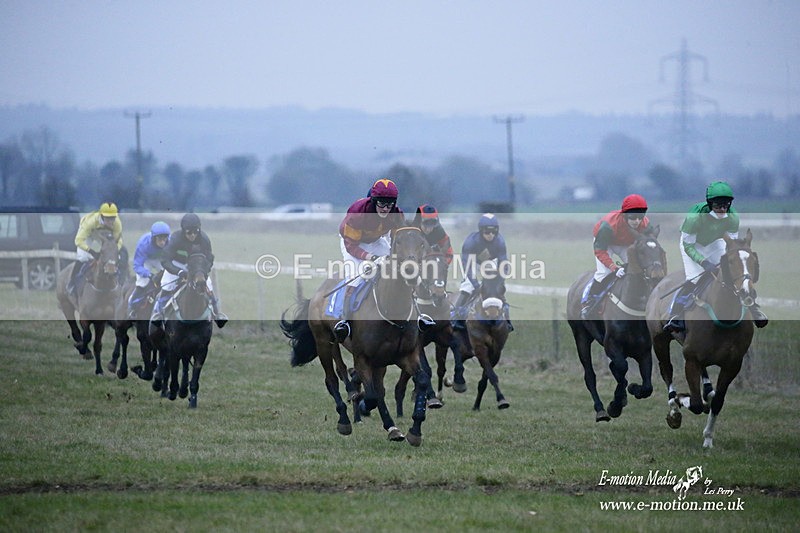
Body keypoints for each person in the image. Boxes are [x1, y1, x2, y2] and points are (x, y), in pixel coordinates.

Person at [664, 181, 768, 332]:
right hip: (692, 245)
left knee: (730, 274)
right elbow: (688, 246)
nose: (722, 209)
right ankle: (675, 315)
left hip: (715, 242)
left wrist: (728, 263)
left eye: (726, 205)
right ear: (710, 203)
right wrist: (704, 262)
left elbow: (731, 247)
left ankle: (753, 308)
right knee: (694, 279)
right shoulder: (695, 217)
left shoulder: (733, 217)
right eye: (718, 205)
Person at [333, 178, 406, 342]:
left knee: (397, 268)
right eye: (381, 204)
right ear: (373, 201)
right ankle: (345, 321)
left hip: (376, 240)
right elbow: (351, 246)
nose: (386, 209)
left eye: (390, 204)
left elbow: (398, 239)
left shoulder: (396, 214)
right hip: (352, 243)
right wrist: (371, 258)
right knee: (356, 277)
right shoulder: (357, 213)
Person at [150, 213, 228, 329]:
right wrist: (179, 272)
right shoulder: (175, 239)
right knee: (166, 287)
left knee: (209, 287)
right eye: (189, 233)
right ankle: (158, 314)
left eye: (195, 232)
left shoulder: (204, 239)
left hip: (197, 267)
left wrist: (203, 271)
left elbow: (210, 259)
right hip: (177, 265)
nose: (192, 235)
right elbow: (165, 260)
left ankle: (217, 314)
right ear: (183, 231)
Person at [580, 194, 650, 319]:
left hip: (625, 244)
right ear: (624, 215)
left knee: (639, 269)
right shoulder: (608, 226)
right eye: (633, 218)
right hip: (605, 242)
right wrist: (614, 267)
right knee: (604, 272)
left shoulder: (645, 224)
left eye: (640, 217)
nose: (637, 222)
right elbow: (600, 251)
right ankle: (589, 302)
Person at [452, 213, 512, 331]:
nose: (491, 235)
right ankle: (455, 315)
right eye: (487, 232)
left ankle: (507, 319)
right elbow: (467, 266)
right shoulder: (471, 241)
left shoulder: (499, 241)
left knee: (498, 290)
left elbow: (504, 264)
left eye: (494, 232)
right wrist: (476, 284)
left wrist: (499, 281)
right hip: (472, 264)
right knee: (467, 287)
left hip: (490, 264)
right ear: (480, 230)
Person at [68, 201, 123, 295]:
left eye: (113, 218)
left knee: (116, 257)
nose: (111, 221)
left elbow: (118, 241)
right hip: (89, 233)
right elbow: (78, 241)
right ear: (101, 216)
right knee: (83, 257)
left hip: (103, 234)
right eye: (108, 218)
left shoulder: (117, 223)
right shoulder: (90, 222)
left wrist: (115, 251)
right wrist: (91, 251)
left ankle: (120, 281)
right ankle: (72, 283)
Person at [127, 221, 171, 319]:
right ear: (153, 238)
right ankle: (133, 306)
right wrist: (149, 274)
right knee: (142, 282)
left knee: (169, 278)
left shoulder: (170, 242)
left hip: (161, 260)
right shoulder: (144, 244)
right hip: (146, 260)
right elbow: (137, 266)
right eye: (160, 239)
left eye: (165, 238)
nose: (162, 242)